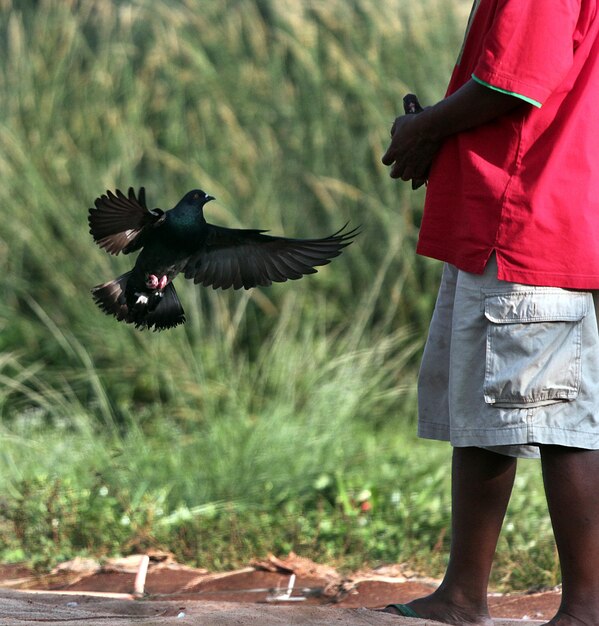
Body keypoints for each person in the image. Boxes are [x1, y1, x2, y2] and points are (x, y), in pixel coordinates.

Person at [380, 1, 599, 625]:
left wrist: (426, 129)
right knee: (487, 406)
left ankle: (587, 607)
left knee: (560, 420)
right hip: (501, 213)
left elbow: (513, 82)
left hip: (525, 213)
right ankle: (461, 593)